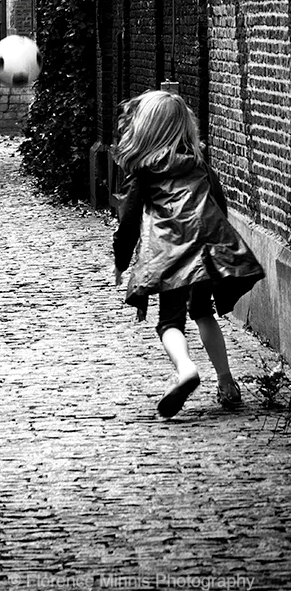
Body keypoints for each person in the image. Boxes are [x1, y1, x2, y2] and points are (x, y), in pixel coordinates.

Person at [112, 88, 265, 418]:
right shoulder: (200, 167)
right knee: (202, 312)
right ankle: (227, 383)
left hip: (170, 259)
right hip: (205, 254)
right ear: (184, 127)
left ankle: (185, 370)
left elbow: (127, 222)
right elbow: (219, 209)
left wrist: (121, 263)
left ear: (145, 130)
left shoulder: (144, 175)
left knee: (169, 322)